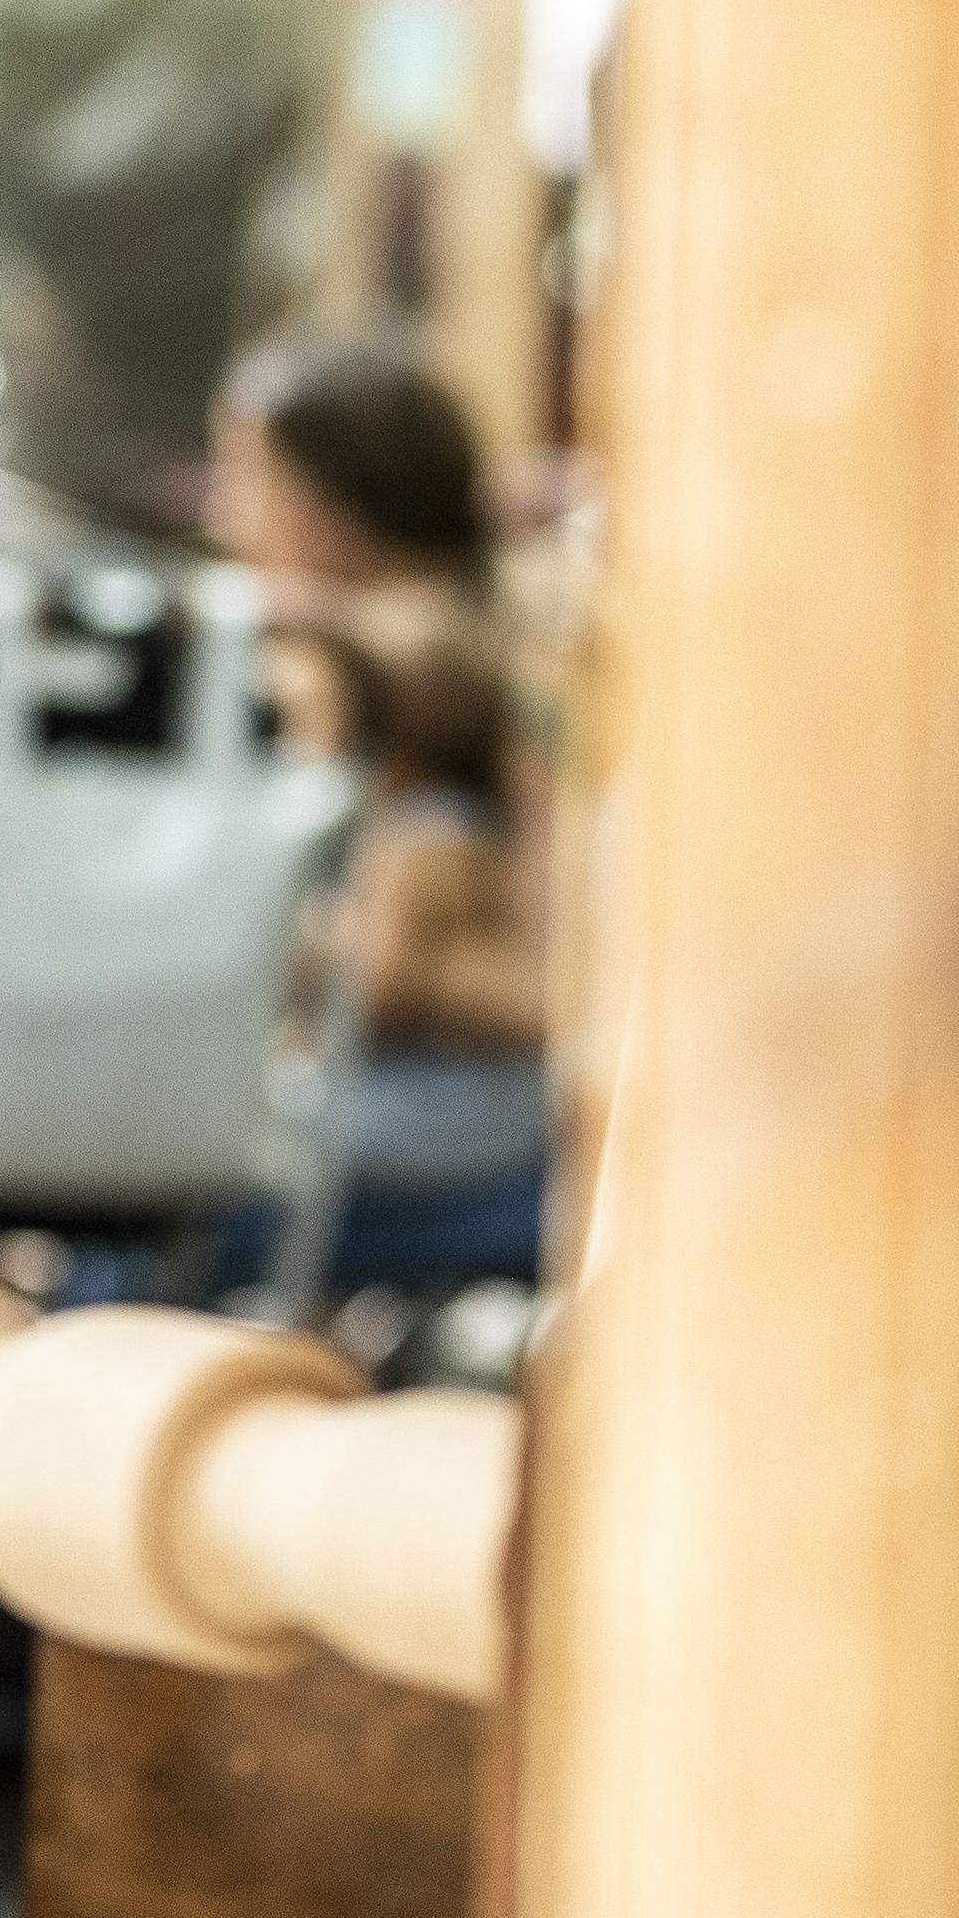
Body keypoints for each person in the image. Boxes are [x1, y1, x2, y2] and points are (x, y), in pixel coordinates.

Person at [212, 334, 551, 1293]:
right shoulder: (492, 631)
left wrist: (372, 957)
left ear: (324, 511)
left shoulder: (363, 661)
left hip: (460, 1137)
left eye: (244, 479)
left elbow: (414, 967)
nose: (220, 515)